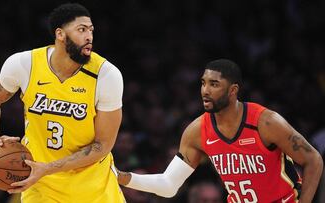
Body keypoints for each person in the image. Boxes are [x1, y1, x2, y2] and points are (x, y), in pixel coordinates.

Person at [117, 59, 323, 203]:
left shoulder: (265, 122)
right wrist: (123, 177)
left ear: (233, 90)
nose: (205, 90)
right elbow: (169, 184)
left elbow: (313, 159)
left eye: (214, 84)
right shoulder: (197, 131)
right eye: (203, 83)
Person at [0, 3, 125, 203]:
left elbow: (102, 145)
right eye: (81, 30)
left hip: (92, 188)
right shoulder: (24, 64)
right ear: (60, 34)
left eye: (91, 30)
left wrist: (46, 169)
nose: (89, 36)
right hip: (39, 186)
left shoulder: (106, 76)